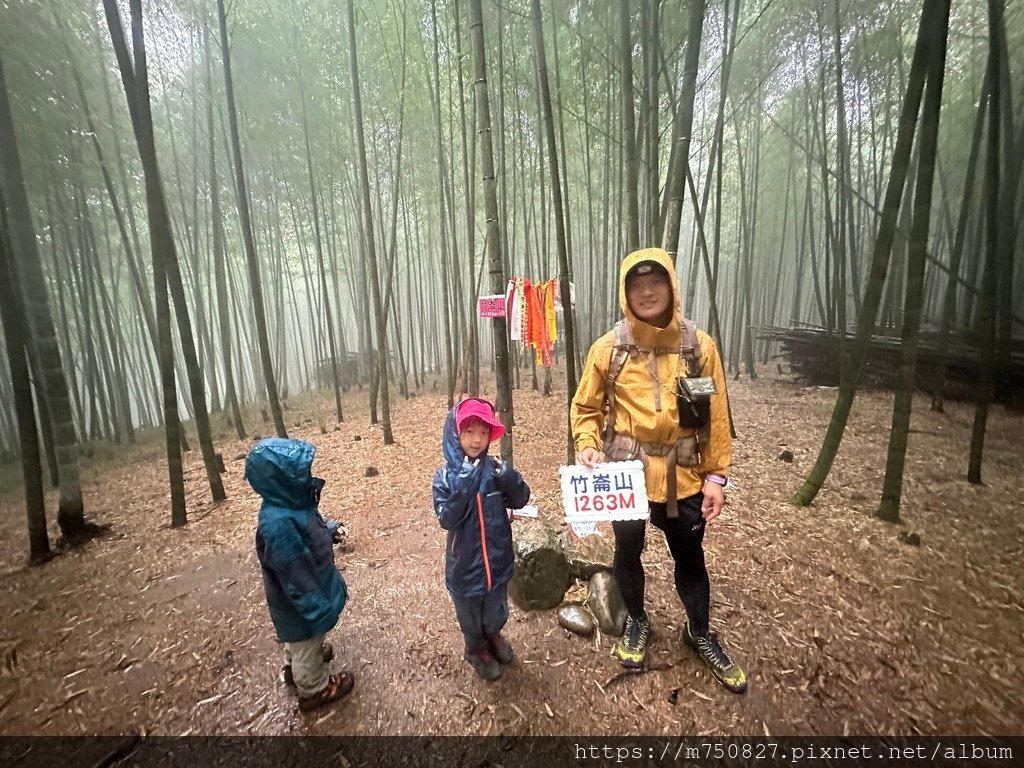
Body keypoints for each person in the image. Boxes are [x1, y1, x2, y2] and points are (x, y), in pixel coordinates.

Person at [569, 246, 747, 694]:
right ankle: (637, 620)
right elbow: (586, 406)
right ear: (625, 293)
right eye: (636, 285)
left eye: (656, 282)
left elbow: (717, 416)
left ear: (671, 286)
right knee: (627, 550)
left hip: (683, 474)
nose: (647, 292)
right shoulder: (609, 349)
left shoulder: (697, 346)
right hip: (627, 475)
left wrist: (716, 476)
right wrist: (587, 444)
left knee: (689, 554)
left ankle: (699, 630)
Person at [245, 437, 356, 711]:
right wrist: (317, 610)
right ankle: (314, 687)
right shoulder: (278, 523)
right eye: (300, 474)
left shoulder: (293, 505)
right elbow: (294, 574)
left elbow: (310, 527)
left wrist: (329, 530)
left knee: (300, 641)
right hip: (301, 601)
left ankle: (296, 667)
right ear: (282, 481)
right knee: (305, 636)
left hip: (307, 593)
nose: (307, 477)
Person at [432, 397, 531, 681]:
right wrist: (464, 481)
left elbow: (522, 499)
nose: (477, 440)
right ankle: (475, 649)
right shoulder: (445, 478)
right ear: (455, 434)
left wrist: (508, 476)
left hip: (497, 560)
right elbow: (447, 519)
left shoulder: (494, 470)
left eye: (484, 433)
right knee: (470, 617)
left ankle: (494, 636)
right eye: (469, 432)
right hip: (465, 566)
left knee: (495, 611)